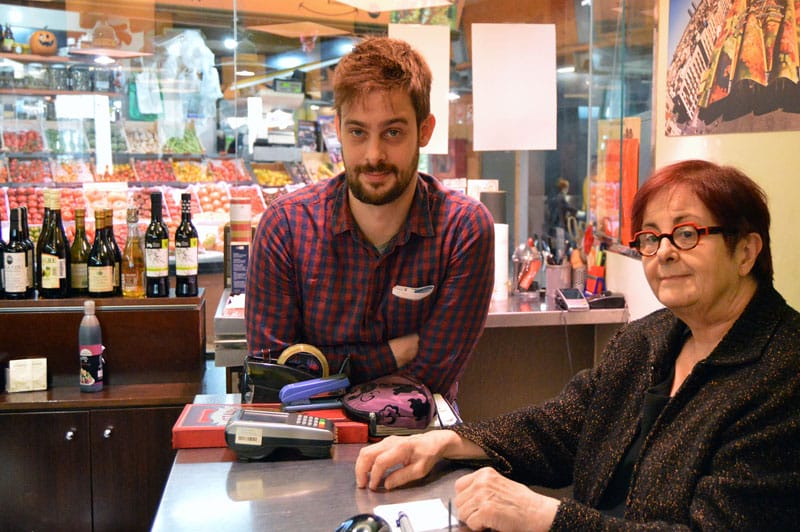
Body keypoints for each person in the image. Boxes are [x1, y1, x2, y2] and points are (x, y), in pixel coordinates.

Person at [354, 159, 800, 530]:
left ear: (746, 252)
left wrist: (546, 516)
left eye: (687, 234)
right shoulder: (650, 337)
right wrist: (445, 442)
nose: (664, 252)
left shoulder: (784, 373)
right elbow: (565, 426)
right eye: (650, 237)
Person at [245, 36, 495, 402]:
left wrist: (323, 369)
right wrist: (395, 353)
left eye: (393, 132)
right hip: (308, 439)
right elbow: (273, 376)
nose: (373, 155)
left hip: (417, 442)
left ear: (424, 130)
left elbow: (432, 377)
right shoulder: (285, 227)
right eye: (358, 132)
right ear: (338, 128)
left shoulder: (463, 230)